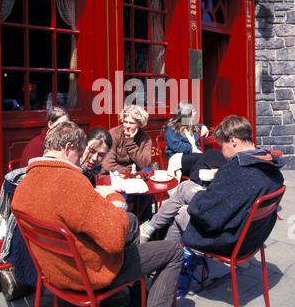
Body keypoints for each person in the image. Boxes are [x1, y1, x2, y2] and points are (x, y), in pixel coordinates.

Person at [12, 121, 183, 307]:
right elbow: (114, 241)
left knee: (130, 222)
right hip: (89, 277)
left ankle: (135, 295)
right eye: (82, 152)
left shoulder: (25, 184)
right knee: (173, 250)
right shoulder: (72, 182)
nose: (84, 158)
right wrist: (115, 200)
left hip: (54, 273)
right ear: (68, 149)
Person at [141, 115, 284, 257]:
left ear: (233, 141)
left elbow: (208, 215)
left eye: (222, 145)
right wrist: (208, 191)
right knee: (185, 187)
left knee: (181, 213)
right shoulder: (270, 166)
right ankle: (149, 229)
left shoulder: (237, 169)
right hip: (252, 237)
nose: (221, 151)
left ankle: (166, 262)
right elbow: (232, 200)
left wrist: (201, 196)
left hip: (230, 240)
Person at [102, 104, 152, 173]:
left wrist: (130, 142)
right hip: (114, 175)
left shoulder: (145, 139)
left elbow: (145, 164)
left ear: (139, 124)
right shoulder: (113, 134)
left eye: (132, 123)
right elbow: (107, 164)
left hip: (136, 176)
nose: (127, 126)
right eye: (125, 122)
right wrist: (126, 170)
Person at [164, 101, 209, 177]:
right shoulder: (171, 127)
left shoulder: (191, 126)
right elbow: (176, 145)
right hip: (178, 158)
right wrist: (193, 150)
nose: (196, 113)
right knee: (205, 158)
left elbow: (198, 125)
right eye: (193, 111)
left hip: (193, 158)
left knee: (209, 158)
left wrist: (203, 127)